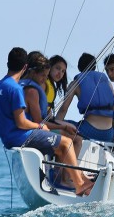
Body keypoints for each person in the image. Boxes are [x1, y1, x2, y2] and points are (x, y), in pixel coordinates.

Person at [0, 47, 93, 196]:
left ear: (8, 64)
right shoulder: (15, 89)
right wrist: (40, 126)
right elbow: (21, 123)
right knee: (66, 143)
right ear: (25, 67)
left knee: (60, 144)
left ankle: (72, 180)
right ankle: (79, 185)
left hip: (7, 137)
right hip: (20, 136)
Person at [21, 52, 83, 188]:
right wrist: (62, 126)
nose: (60, 73)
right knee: (76, 139)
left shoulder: (48, 85)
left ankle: (63, 174)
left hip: (43, 122)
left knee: (73, 131)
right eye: (57, 68)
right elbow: (40, 118)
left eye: (63, 71)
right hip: (39, 126)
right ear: (49, 67)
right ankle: (64, 178)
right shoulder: (43, 85)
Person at [55, 53, 114, 142]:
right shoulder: (108, 83)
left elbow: (63, 109)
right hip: (108, 134)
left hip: (88, 130)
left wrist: (54, 124)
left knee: (59, 124)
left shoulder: (75, 83)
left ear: (79, 67)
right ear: (94, 67)